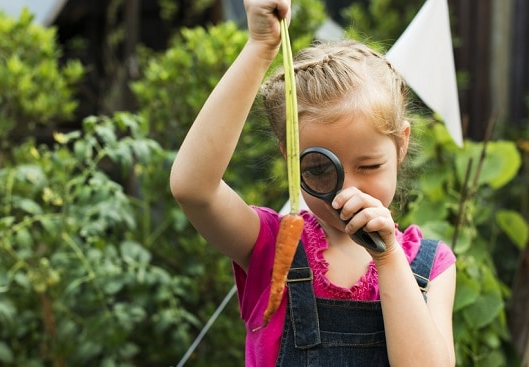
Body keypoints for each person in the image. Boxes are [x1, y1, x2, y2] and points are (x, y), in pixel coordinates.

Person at [169, 0, 457, 365]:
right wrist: (260, 48)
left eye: (368, 165)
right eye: (321, 169)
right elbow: (193, 189)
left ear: (401, 145)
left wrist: (388, 258)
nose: (346, 190)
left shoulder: (429, 266)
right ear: (291, 159)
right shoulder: (273, 247)